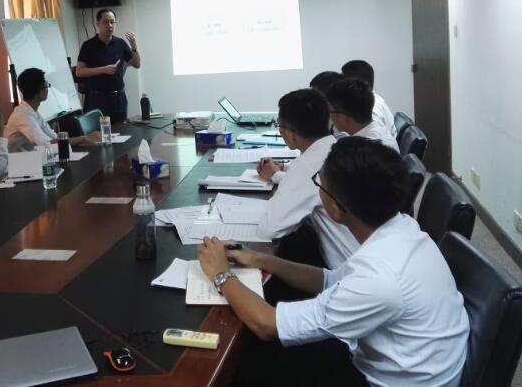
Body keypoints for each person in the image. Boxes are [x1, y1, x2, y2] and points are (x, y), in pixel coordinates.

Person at [198, 137, 469, 387]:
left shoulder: (380, 278)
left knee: (249, 367)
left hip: (382, 381)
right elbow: (330, 280)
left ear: (337, 209)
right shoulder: (401, 229)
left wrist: (221, 274)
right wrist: (261, 259)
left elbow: (267, 325)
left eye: (319, 184)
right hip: (396, 365)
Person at [254, 89, 358, 272]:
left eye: (279, 126)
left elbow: (269, 229)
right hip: (368, 258)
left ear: (291, 134)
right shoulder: (338, 148)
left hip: (347, 271)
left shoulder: (307, 165)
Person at [5, 68, 100, 152]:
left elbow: (55, 138)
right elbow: (47, 145)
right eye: (47, 86)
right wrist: (84, 138)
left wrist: (84, 139)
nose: (48, 89)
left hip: (31, 160)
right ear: (40, 92)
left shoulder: (32, 112)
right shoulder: (23, 116)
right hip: (18, 164)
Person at [76, 9, 141, 124]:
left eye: (112, 22)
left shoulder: (120, 43)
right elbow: (79, 72)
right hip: (98, 100)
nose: (110, 25)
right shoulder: (88, 45)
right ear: (98, 24)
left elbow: (137, 64)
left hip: (119, 98)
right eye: (106, 22)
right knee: (100, 133)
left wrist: (134, 47)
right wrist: (103, 70)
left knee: (122, 131)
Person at [326, 78, 400, 152]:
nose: (330, 117)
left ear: (343, 117)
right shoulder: (376, 130)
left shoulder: (366, 150)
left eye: (330, 111)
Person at [342, 59, 396, 137]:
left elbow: (373, 140)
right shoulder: (373, 99)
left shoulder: (371, 110)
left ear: (354, 85)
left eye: (343, 82)